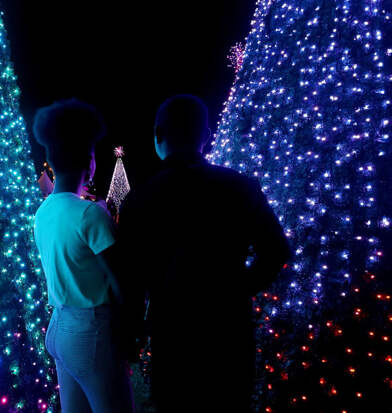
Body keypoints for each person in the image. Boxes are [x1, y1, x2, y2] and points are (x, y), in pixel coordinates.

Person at [117, 95, 291, 411]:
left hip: (173, 335)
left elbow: (131, 280)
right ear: (206, 136)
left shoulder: (140, 199)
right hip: (229, 332)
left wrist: (132, 336)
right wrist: (236, 289)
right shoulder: (241, 187)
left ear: (158, 135)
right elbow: (276, 251)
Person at [33, 99, 134, 413]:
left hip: (59, 327)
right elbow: (121, 281)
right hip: (91, 332)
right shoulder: (90, 214)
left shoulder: (43, 210)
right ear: (89, 162)